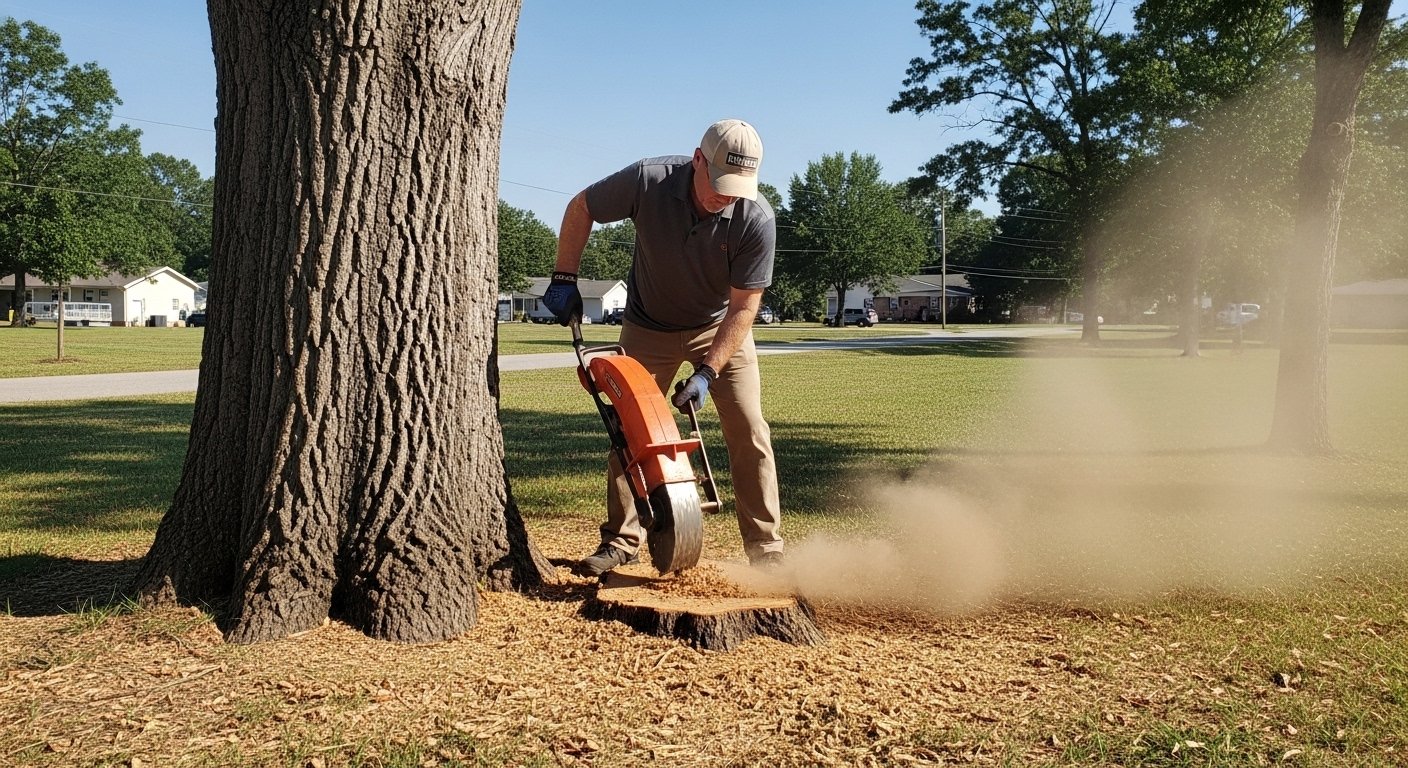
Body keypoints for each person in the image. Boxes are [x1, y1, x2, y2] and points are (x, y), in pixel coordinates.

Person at [543, 118, 785, 577]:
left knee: (750, 428)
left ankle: (766, 547)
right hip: (647, 326)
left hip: (719, 328)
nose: (725, 196)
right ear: (698, 160)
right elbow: (581, 207)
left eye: (737, 187)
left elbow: (743, 309)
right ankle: (621, 541)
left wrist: (708, 372)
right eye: (719, 184)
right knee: (629, 431)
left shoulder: (756, 219)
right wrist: (564, 277)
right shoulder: (648, 180)